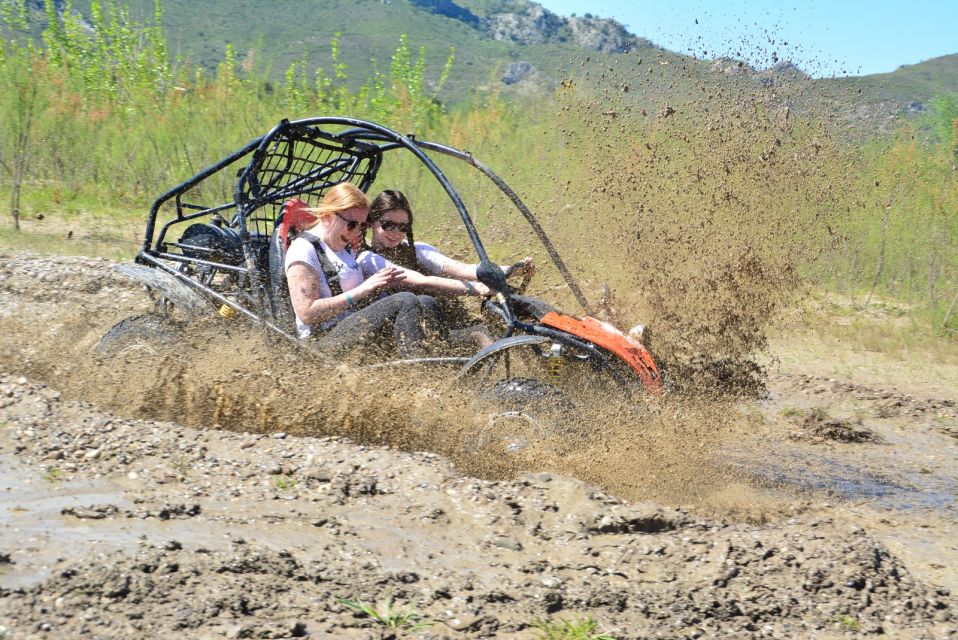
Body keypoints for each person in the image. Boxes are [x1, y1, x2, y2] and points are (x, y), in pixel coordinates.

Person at [358, 189, 536, 347]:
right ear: (372, 221)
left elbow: (465, 269)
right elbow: (422, 282)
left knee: (498, 320)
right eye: (388, 225)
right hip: (398, 335)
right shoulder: (367, 259)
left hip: (439, 325)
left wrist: (511, 270)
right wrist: (479, 289)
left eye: (403, 227)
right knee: (479, 332)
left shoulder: (417, 249)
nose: (396, 233)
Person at [284, 182, 440, 358]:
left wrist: (378, 289)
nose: (356, 233)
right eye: (351, 225)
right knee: (404, 300)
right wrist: (364, 289)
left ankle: (449, 357)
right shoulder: (304, 249)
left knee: (425, 302)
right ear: (327, 216)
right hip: (322, 342)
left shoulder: (344, 248)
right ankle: (421, 370)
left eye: (361, 226)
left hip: (352, 327)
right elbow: (307, 313)